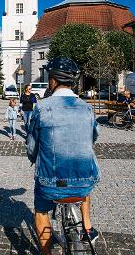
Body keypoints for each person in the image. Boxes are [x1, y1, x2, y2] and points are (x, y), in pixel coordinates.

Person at [27, 56, 100, 254]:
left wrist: (33, 158)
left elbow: (32, 147)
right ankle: (87, 227)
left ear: (52, 80)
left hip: (50, 181)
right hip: (86, 179)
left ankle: (46, 252)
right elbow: (92, 137)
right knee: (84, 186)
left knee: (41, 210)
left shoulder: (41, 107)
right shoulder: (87, 108)